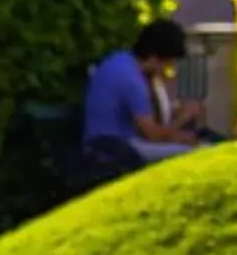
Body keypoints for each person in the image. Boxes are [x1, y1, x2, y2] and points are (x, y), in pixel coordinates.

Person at [81, 20, 201, 180]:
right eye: (167, 63)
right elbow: (153, 135)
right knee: (192, 153)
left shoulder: (121, 62)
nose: (167, 70)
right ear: (154, 57)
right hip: (114, 149)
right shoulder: (132, 80)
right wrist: (183, 119)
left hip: (105, 145)